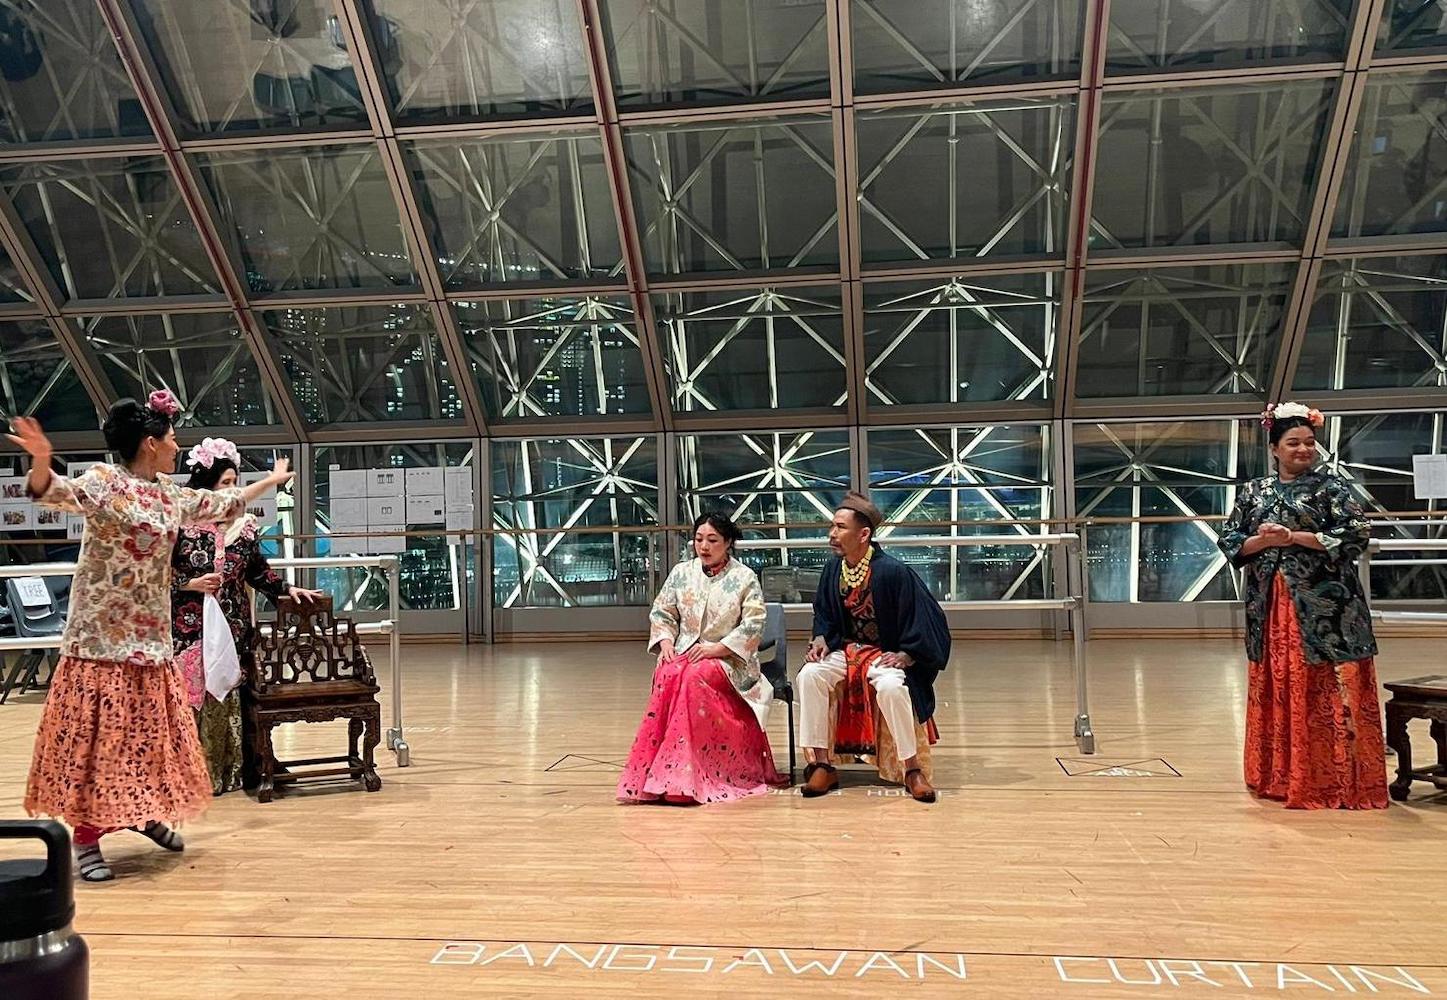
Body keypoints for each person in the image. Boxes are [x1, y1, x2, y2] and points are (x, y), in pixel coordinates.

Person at [7, 393, 294, 881]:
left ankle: (142, 813)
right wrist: (39, 460)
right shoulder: (104, 482)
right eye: (171, 438)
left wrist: (270, 481)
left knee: (149, 736)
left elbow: (223, 501)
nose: (177, 446)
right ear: (149, 442)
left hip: (149, 638)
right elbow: (52, 492)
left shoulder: (168, 494)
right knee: (99, 742)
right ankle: (87, 838)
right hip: (99, 639)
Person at [1217, 402, 1388, 810]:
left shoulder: (1331, 488)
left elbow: (1354, 535)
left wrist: (1294, 537)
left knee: (1327, 684)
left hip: (1328, 610)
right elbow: (1231, 539)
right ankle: (1278, 775)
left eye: (1309, 442)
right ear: (1274, 448)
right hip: (1272, 606)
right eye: (1293, 442)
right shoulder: (1253, 491)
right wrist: (1266, 540)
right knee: (1279, 680)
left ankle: (1334, 781)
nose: (1303, 449)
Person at [170, 437, 322, 796]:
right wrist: (190, 583)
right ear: (206, 487)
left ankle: (240, 770)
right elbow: (155, 573)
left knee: (237, 696)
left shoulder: (245, 530)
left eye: (235, 483)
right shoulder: (181, 526)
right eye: (225, 484)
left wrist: (287, 590)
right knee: (193, 699)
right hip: (189, 630)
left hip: (235, 626)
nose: (232, 491)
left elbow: (258, 573)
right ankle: (191, 776)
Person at [617, 512, 785, 805]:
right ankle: (662, 773)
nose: (704, 546)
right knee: (668, 672)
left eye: (712, 540)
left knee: (696, 676)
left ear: (728, 542)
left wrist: (717, 649)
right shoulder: (682, 573)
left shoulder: (744, 577)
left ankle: (691, 775)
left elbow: (753, 624)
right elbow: (662, 612)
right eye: (698, 539)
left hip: (731, 661)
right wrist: (666, 641)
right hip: (686, 652)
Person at [798, 491, 951, 804]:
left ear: (863, 534)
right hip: (846, 652)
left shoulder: (893, 572)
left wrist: (908, 654)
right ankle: (821, 763)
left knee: (894, 688)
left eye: (840, 527)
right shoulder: (833, 569)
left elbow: (926, 618)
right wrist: (820, 639)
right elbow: (824, 615)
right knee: (809, 676)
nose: (832, 534)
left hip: (884, 654)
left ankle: (911, 768)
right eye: (832, 526)